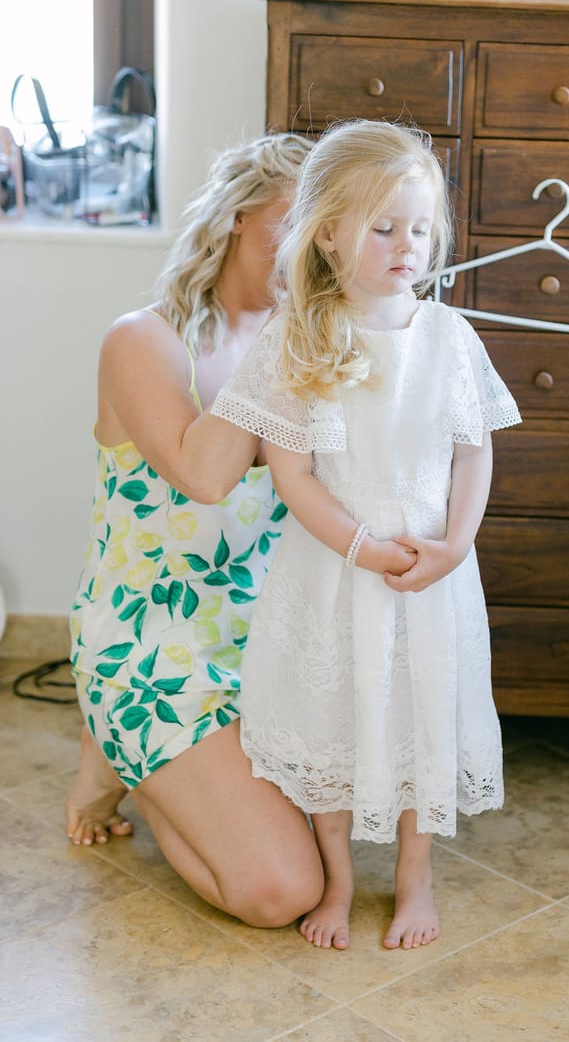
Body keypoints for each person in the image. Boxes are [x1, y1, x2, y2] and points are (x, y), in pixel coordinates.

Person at [209, 119, 522, 950]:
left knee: (422, 716)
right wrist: (360, 548)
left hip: (430, 572)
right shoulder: (297, 338)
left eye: (420, 229)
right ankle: (340, 881)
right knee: (333, 719)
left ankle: (416, 878)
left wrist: (453, 546)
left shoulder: (449, 339)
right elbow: (293, 475)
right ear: (329, 235)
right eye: (383, 229)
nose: (406, 246)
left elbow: (473, 452)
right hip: (337, 572)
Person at [66, 132, 326, 929]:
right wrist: (289, 345)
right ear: (241, 215)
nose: (312, 253)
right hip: (151, 641)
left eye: (328, 237)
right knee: (281, 894)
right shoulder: (141, 340)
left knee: (345, 835)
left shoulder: (307, 346)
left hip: (264, 643)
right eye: (298, 224)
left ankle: (130, 759)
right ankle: (124, 755)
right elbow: (205, 475)